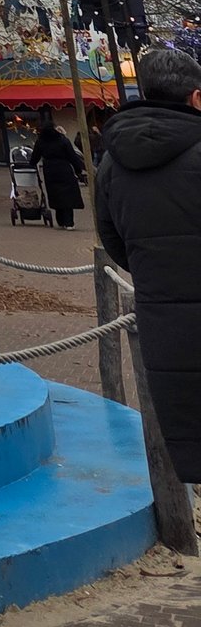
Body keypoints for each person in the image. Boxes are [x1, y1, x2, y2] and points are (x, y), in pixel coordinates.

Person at [96, 46, 201, 484]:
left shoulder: (113, 161)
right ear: (196, 98)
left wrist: (157, 271)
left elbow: (114, 240)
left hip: (164, 317)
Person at [28, 105, 85, 228]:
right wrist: (78, 170)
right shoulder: (62, 140)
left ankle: (60, 221)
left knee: (56, 195)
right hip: (64, 168)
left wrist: (31, 165)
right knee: (68, 196)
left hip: (50, 170)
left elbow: (35, 157)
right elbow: (72, 156)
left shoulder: (41, 141)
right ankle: (69, 222)